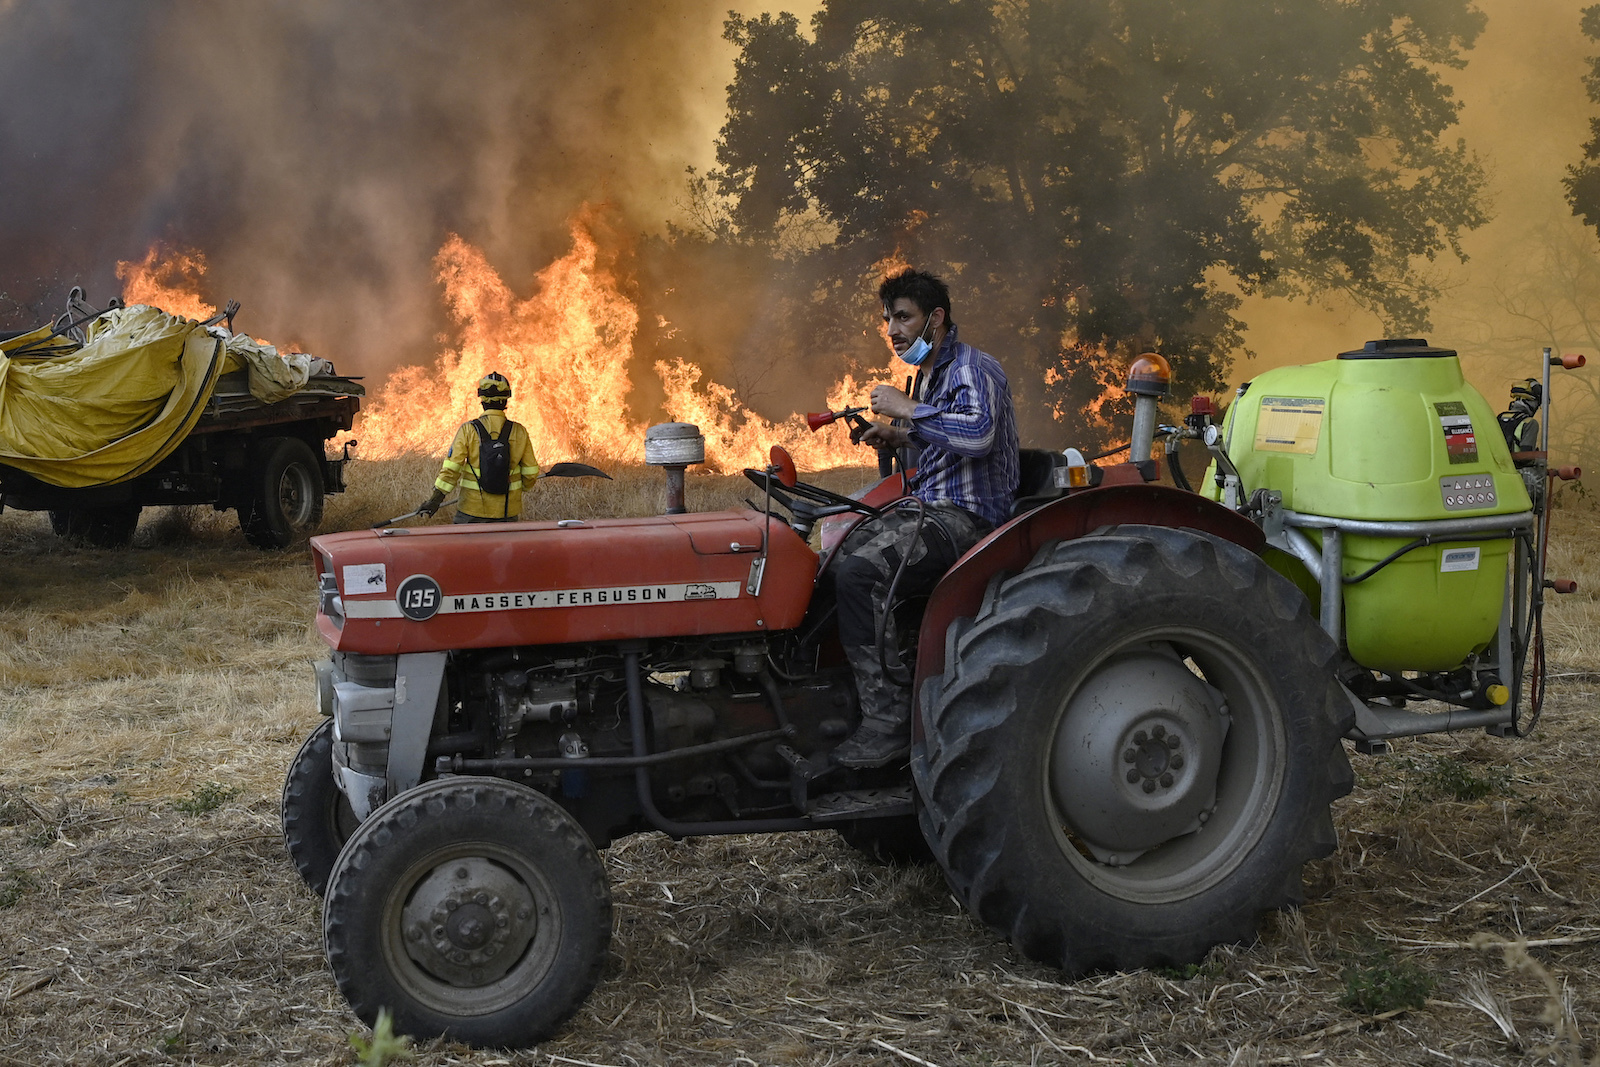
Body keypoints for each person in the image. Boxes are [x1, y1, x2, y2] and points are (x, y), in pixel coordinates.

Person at [829, 269, 1020, 768]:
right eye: (888, 320)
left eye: (903, 317)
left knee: (861, 574)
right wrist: (898, 436)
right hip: (931, 507)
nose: (893, 331)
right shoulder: (932, 372)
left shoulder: (972, 367)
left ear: (935, 318)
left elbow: (978, 435)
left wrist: (907, 409)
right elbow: (943, 439)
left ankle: (888, 721)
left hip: (968, 518)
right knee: (834, 555)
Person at [418, 372, 542, 523]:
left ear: (482, 400)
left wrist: (435, 500)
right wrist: (521, 488)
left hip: (471, 511)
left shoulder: (468, 430)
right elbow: (531, 472)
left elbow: (451, 469)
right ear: (506, 400)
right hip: (507, 512)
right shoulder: (519, 431)